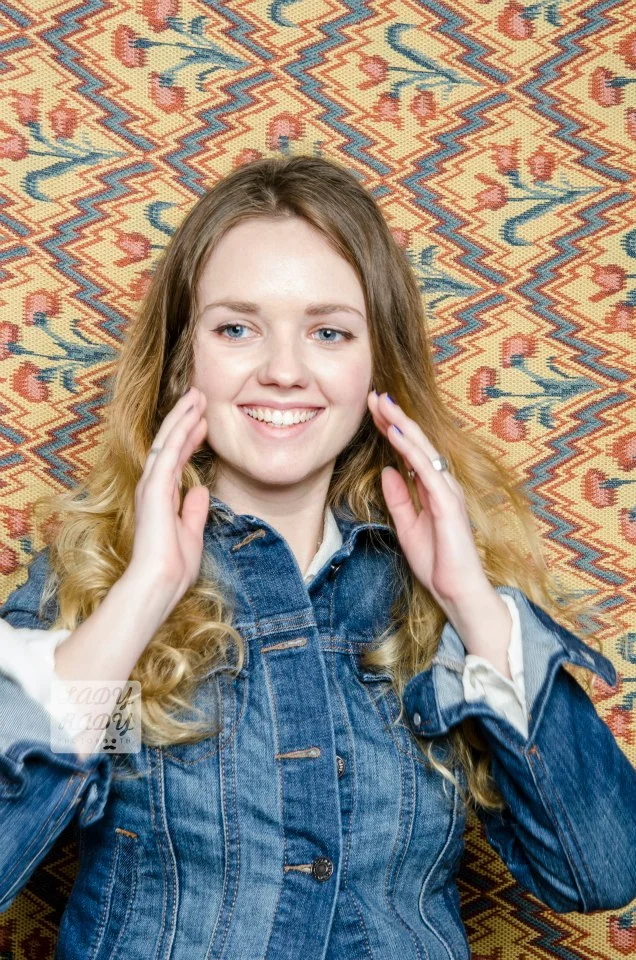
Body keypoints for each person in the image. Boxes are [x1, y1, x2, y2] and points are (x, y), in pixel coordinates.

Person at [0, 154, 634, 959]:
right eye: (237, 329)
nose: (284, 371)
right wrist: (143, 595)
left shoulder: (434, 596)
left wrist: (473, 603)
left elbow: (600, 873)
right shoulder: (95, 578)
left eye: (329, 332)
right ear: (184, 355)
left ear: (377, 365)